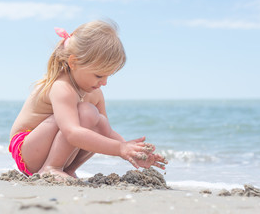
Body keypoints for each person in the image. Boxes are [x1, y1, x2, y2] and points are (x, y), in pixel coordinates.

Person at [9, 20, 167, 179]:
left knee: (100, 122)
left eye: (108, 76)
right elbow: (72, 133)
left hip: (44, 149)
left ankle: (67, 169)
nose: (104, 83)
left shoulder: (95, 93)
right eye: (98, 75)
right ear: (73, 63)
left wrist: (131, 151)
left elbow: (106, 132)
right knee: (87, 112)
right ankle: (51, 167)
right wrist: (119, 148)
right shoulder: (62, 88)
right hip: (26, 151)